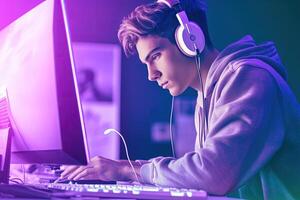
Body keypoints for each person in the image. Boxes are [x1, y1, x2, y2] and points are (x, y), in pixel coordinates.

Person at [59, 0, 300, 199]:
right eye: (146, 63)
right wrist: (126, 168)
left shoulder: (249, 78)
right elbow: (202, 172)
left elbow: (213, 174)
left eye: (156, 56)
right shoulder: (206, 96)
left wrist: (126, 170)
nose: (151, 75)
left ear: (190, 40)